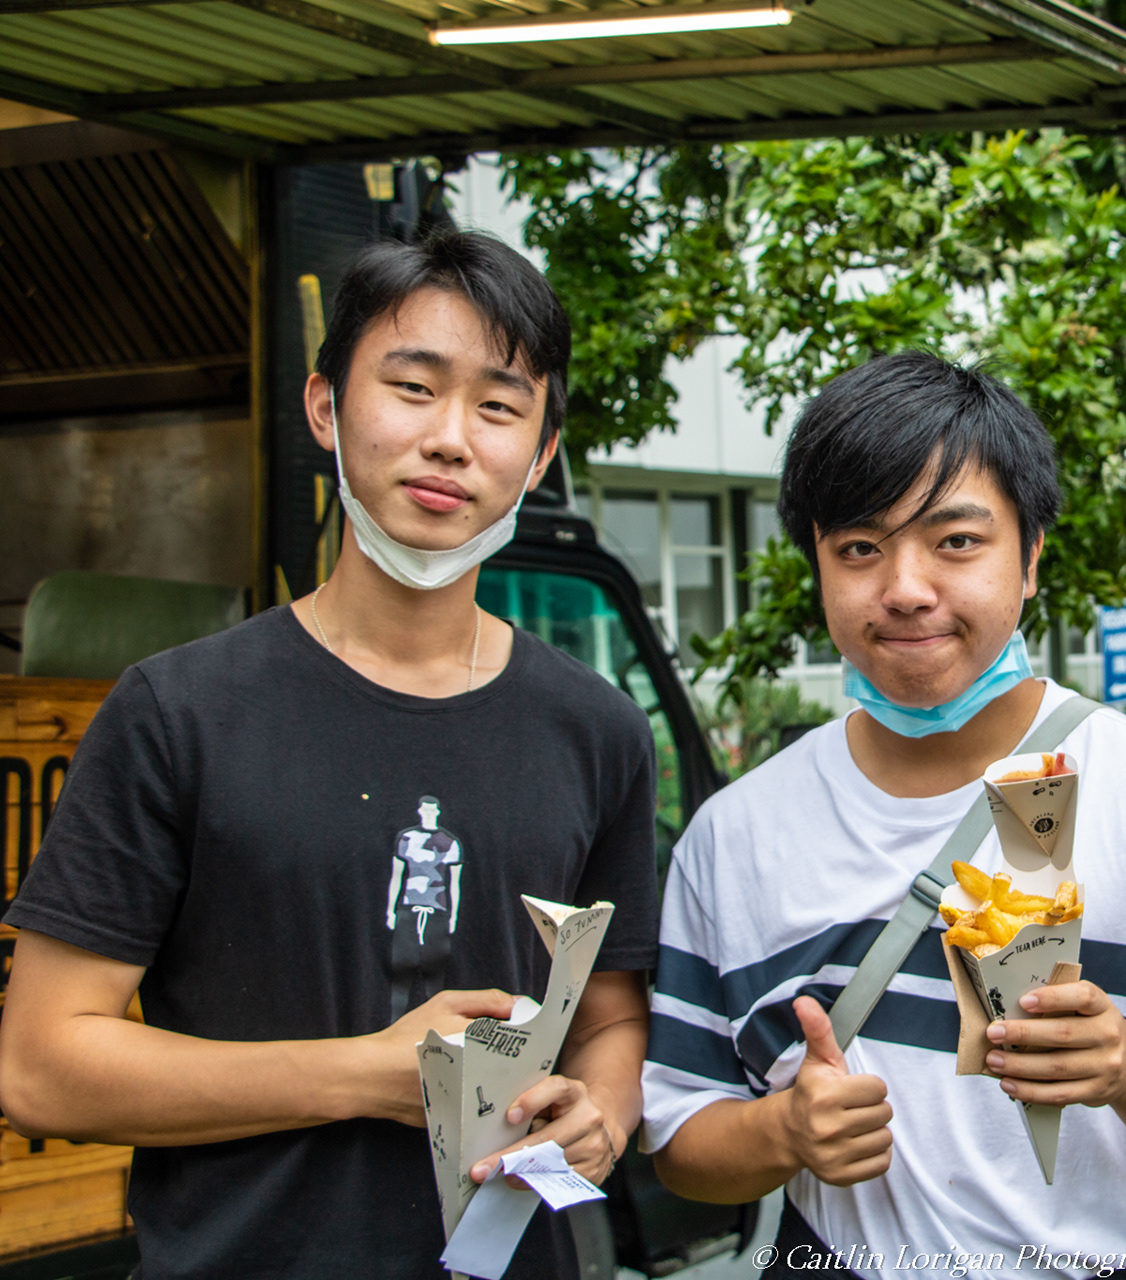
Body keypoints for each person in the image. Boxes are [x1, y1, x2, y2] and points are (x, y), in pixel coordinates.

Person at [0, 229, 656, 1278]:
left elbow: (610, 1015)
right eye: (412, 388)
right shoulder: (178, 712)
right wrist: (363, 1074)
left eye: (498, 407)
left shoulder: (599, 730)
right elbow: (40, 1066)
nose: (450, 439)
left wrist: (603, 1118)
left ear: (539, 455)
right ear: (324, 407)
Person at [640, 352, 1126, 1276]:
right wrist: (783, 1131)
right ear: (817, 565)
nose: (906, 588)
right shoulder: (735, 836)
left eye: (956, 541)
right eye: (860, 548)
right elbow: (681, 1141)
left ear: (1031, 557)